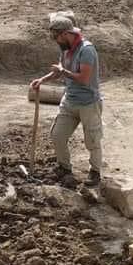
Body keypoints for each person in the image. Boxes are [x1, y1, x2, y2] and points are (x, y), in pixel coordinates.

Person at [29, 13, 103, 188]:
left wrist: (63, 71)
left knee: (92, 140)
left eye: (57, 37)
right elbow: (58, 70)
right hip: (70, 101)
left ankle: (95, 172)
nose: (56, 41)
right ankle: (64, 168)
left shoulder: (87, 50)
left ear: (66, 34)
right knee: (57, 135)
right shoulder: (66, 49)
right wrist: (42, 80)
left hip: (88, 103)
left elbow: (84, 78)